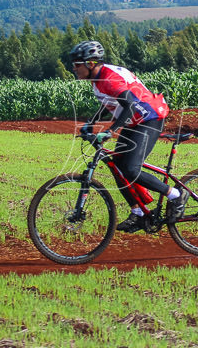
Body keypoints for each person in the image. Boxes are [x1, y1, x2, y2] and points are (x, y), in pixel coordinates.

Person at [69, 40, 186, 232]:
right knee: (118, 167)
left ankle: (175, 195)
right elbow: (109, 103)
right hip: (135, 121)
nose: (74, 69)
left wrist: (111, 131)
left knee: (131, 169)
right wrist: (90, 124)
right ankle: (139, 213)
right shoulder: (98, 79)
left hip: (149, 118)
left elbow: (130, 104)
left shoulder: (108, 78)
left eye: (76, 64)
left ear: (90, 63)